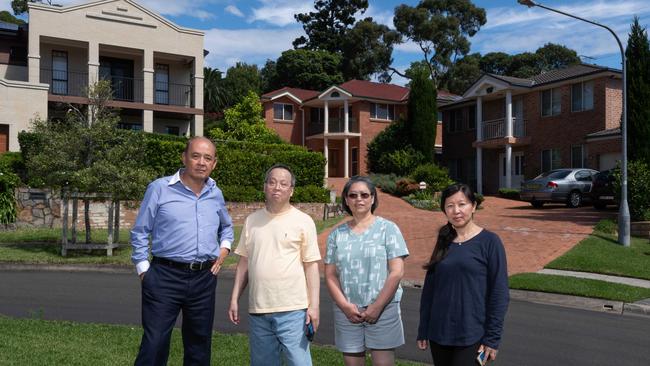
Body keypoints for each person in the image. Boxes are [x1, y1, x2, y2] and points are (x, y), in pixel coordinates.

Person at [131, 136, 234, 366]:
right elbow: (140, 231)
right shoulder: (159, 188)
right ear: (184, 158)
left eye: (208, 158)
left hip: (204, 279)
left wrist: (224, 249)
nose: (201, 162)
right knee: (154, 343)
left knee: (199, 344)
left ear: (214, 163)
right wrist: (144, 271)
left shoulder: (215, 193)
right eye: (195, 156)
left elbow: (227, 227)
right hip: (164, 277)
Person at [228, 164, 321, 366]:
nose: (277, 187)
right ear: (264, 187)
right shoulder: (252, 221)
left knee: (300, 362)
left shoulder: (304, 221)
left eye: (283, 183)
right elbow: (244, 262)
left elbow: (311, 266)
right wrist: (235, 298)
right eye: (272, 182)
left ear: (291, 190)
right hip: (258, 311)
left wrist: (314, 306)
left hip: (294, 311)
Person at [417, 183, 509, 366]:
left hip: (472, 335)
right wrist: (424, 328)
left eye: (462, 204)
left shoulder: (490, 242)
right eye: (450, 206)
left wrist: (492, 338)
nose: (456, 211)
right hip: (439, 334)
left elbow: (499, 294)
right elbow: (430, 289)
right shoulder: (444, 240)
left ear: (473, 206)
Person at [324, 176, 409, 366]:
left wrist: (377, 306)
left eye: (364, 194)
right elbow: (330, 275)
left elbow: (396, 272)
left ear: (372, 198)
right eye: (352, 195)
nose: (358, 199)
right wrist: (345, 306)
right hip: (348, 311)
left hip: (384, 308)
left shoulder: (389, 229)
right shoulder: (336, 235)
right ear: (346, 200)